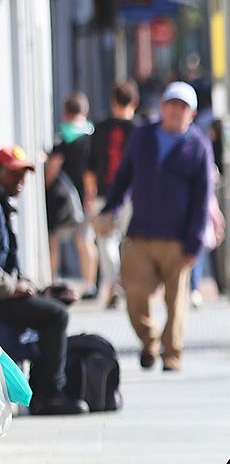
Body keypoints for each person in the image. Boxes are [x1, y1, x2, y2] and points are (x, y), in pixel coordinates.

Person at [98, 81, 217, 373]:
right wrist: (111, 207)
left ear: (192, 113)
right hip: (141, 233)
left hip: (179, 238)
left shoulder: (198, 146)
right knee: (133, 289)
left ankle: (172, 353)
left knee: (176, 301)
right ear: (162, 107)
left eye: (183, 107)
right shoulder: (143, 137)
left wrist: (195, 241)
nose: (176, 111)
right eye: (172, 105)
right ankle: (149, 338)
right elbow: (123, 175)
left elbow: (203, 198)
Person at [0, 146, 87, 415]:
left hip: (6, 293)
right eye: (14, 173)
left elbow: (9, 263)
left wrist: (38, 288)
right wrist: (15, 288)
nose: (21, 180)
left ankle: (41, 387)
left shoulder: (4, 206)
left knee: (53, 302)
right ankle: (49, 395)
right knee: (55, 315)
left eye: (24, 174)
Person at [89, 81, 141, 307]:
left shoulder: (100, 128)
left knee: (106, 239)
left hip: (105, 193)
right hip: (132, 194)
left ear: (112, 102)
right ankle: (125, 283)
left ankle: (116, 281)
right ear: (135, 102)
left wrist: (90, 193)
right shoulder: (140, 130)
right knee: (128, 241)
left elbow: (90, 166)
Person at [48, 93, 95, 288]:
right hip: (87, 195)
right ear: (85, 111)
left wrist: (44, 185)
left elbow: (53, 167)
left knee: (53, 239)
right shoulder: (93, 135)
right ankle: (90, 284)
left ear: (65, 113)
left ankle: (50, 280)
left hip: (63, 198)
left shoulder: (62, 136)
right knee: (85, 241)